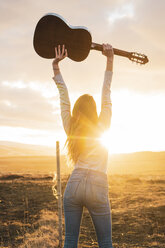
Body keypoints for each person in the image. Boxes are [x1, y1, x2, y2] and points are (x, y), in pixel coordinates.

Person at [52, 43, 114, 248]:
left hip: (74, 184)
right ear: (93, 110)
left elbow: (64, 102)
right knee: (105, 241)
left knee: (70, 240)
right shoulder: (102, 124)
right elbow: (106, 94)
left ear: (78, 110)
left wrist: (56, 68)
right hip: (97, 184)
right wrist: (110, 59)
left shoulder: (72, 127)